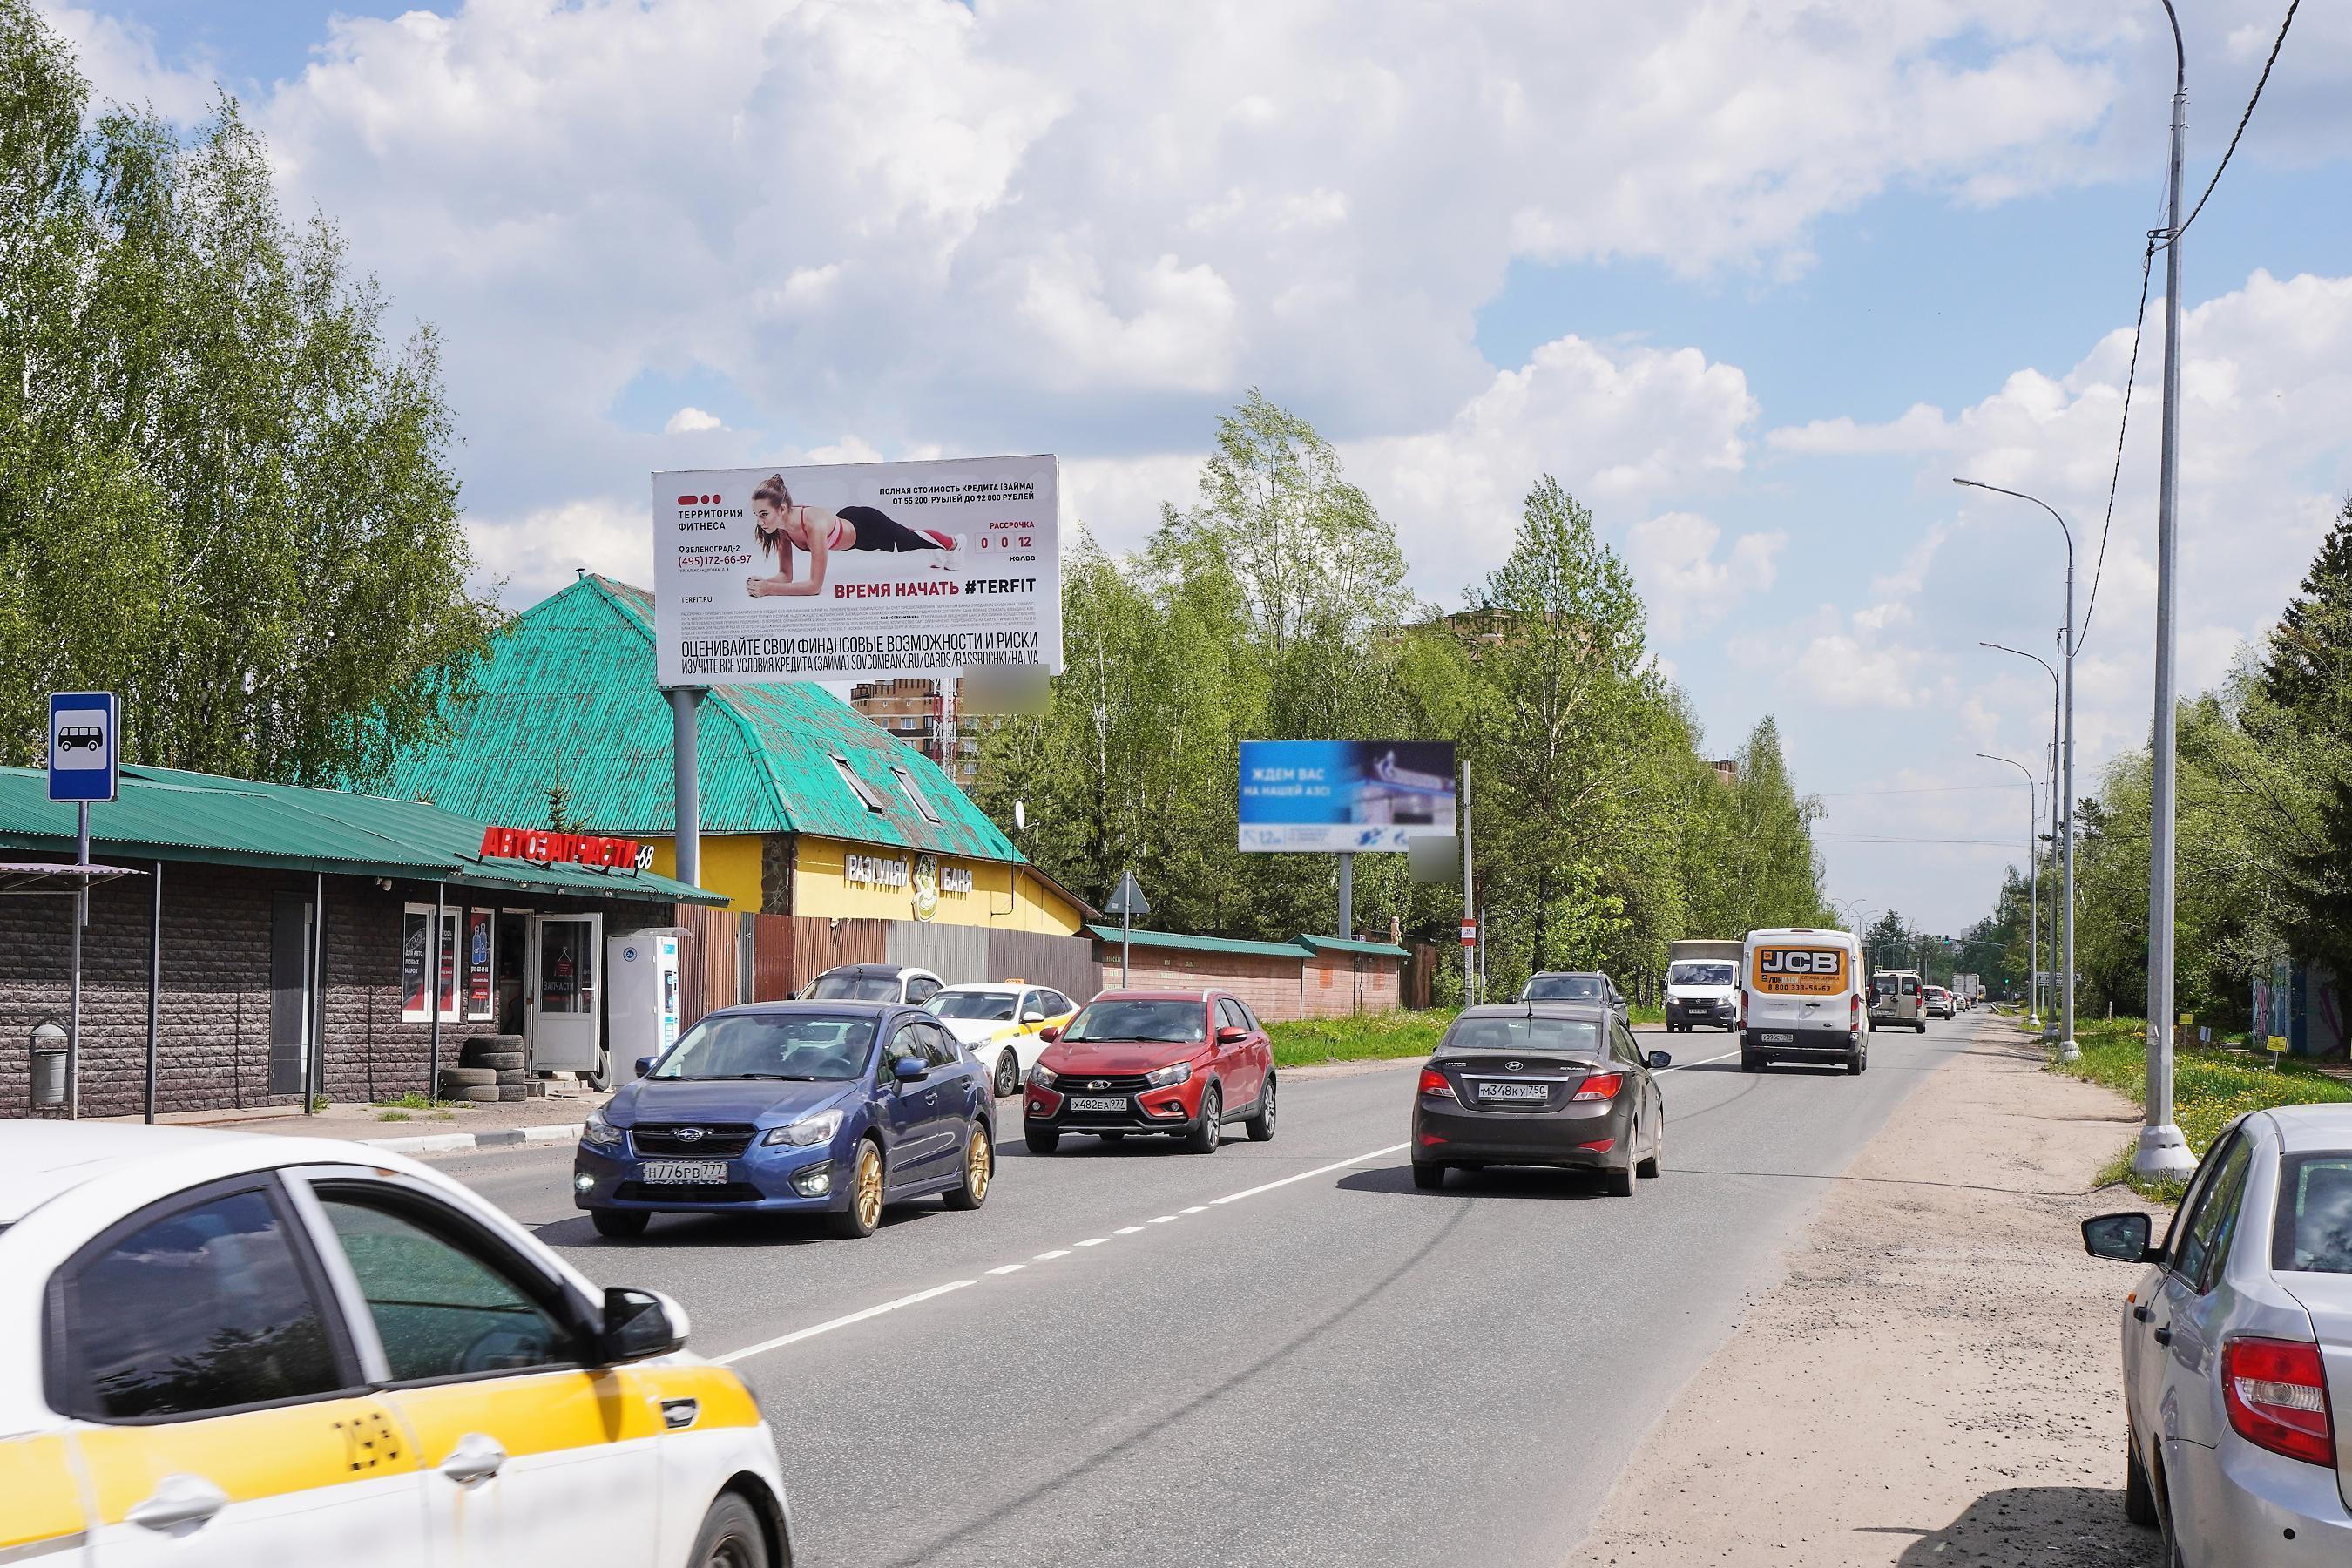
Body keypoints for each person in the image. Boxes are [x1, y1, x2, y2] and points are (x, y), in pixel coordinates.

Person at [743, 474, 958, 598]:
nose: (759, 522)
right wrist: (763, 583)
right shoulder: (782, 529)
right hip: (848, 521)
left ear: (782, 509)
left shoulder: (813, 525)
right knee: (907, 535)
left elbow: (815, 587)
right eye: (756, 515)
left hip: (868, 528)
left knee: (911, 540)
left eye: (764, 514)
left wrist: (769, 589)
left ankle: (954, 544)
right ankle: (934, 547)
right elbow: (785, 576)